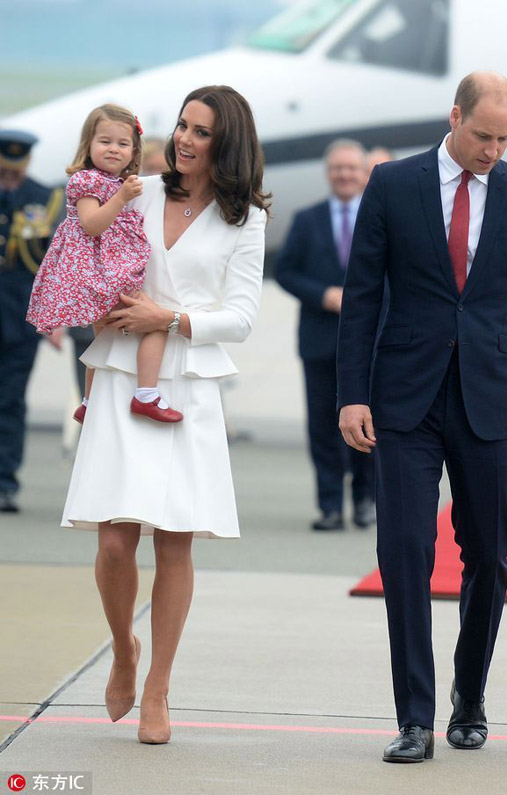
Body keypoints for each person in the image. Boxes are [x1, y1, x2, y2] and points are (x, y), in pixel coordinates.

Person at [337, 71, 507, 763]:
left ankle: (468, 696)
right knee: (405, 549)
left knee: (491, 556)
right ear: (454, 117)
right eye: (482, 135)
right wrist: (351, 392)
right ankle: (412, 715)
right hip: (403, 396)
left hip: (486, 397)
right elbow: (361, 295)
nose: (492, 151)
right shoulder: (392, 183)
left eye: (504, 139)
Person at [60, 85, 269, 744]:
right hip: (122, 372)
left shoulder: (247, 220)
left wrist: (170, 317)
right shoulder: (140, 191)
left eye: (200, 131)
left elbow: (240, 317)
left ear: (225, 142)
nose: (183, 139)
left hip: (188, 384)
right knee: (115, 541)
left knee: (174, 540)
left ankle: (158, 687)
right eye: (181, 125)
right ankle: (124, 647)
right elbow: (86, 251)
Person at [26, 104, 182, 425]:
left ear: (133, 151)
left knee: (102, 342)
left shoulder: (114, 183)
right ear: (89, 145)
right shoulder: (87, 181)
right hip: (99, 277)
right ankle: (146, 395)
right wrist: (122, 198)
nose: (113, 149)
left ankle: (89, 401)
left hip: (106, 273)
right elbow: (92, 225)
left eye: (123, 144)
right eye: (105, 141)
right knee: (157, 323)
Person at [275, 138, 375, 531]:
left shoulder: (379, 216)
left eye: (352, 168)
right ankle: (330, 505)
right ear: (328, 173)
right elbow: (285, 272)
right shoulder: (307, 219)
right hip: (319, 340)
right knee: (322, 425)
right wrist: (323, 294)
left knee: (369, 423)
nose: (345, 175)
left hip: (369, 342)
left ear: (364, 173)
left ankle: (366, 500)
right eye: (338, 168)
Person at [0, 129, 62, 513]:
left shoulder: (46, 199)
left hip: (21, 320)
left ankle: (4, 482)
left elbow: (55, 263)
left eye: (16, 172)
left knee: (10, 401)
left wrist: (54, 315)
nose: (11, 179)